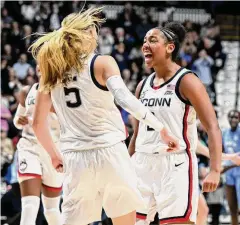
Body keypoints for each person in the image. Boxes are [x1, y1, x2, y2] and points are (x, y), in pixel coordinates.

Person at [28, 8, 178, 225]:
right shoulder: (102, 62)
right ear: (88, 33)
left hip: (74, 156)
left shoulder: (53, 70)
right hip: (110, 152)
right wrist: (160, 128)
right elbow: (125, 99)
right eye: (95, 31)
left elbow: (37, 122)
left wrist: (53, 155)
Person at [128, 22, 222, 225]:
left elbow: (212, 126)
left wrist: (215, 169)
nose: (145, 44)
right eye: (144, 40)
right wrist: (126, 165)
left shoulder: (187, 80)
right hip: (142, 163)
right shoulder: (142, 86)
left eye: (152, 40)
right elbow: (137, 134)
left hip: (175, 164)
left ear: (170, 47)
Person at [13, 66, 63, 225]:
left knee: (52, 210)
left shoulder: (61, 92)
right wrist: (20, 121)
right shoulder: (27, 91)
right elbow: (17, 121)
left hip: (53, 151)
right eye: (39, 62)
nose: (41, 66)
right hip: (29, 147)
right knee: (29, 205)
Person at [222, 109, 240, 225]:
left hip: (238, 173)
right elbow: (222, 151)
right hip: (228, 176)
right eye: (231, 117)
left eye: (236, 117)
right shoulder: (224, 133)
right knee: (232, 208)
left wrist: (225, 168)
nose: (233, 119)